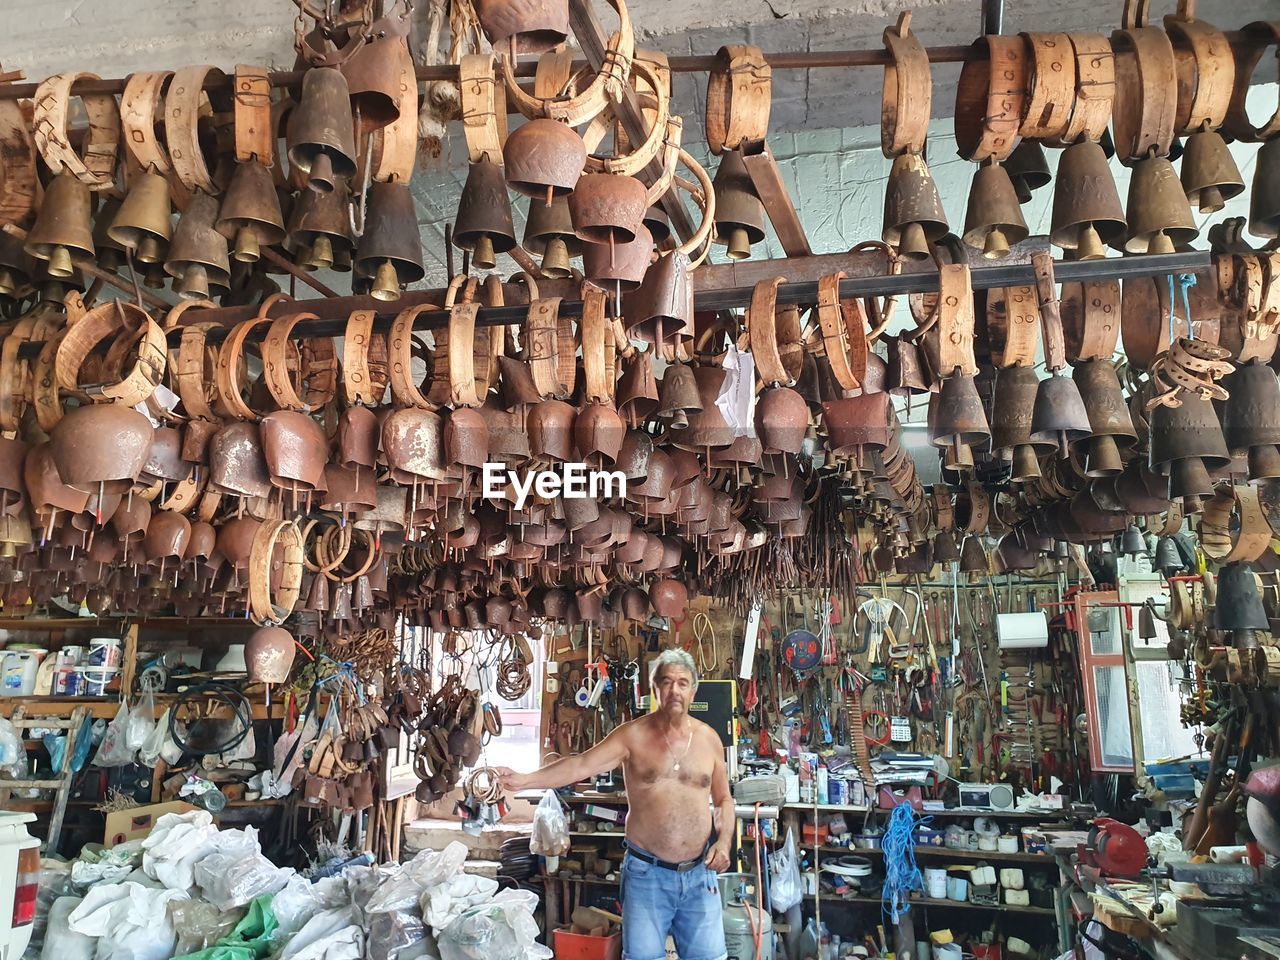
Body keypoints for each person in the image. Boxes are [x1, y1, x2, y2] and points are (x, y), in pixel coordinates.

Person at [495, 648, 731, 960]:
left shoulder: (710, 740)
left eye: (683, 682)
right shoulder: (631, 736)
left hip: (700, 874)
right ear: (654, 688)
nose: (674, 690)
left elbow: (724, 800)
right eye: (666, 681)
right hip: (648, 874)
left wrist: (725, 842)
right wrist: (525, 780)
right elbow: (580, 766)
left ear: (694, 689)